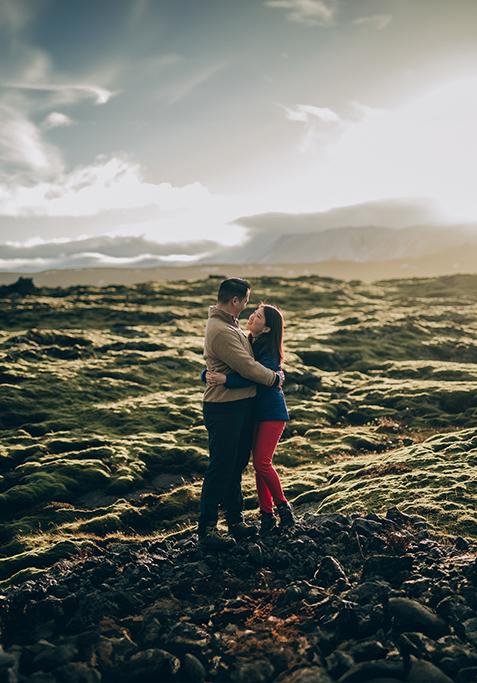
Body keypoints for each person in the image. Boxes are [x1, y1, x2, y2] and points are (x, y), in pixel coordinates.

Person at [199, 277, 284, 551]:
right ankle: (207, 529)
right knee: (221, 467)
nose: (248, 306)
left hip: (238, 406)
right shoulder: (221, 329)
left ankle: (235, 522)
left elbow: (231, 366)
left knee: (235, 467)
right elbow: (246, 367)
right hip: (225, 408)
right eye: (246, 301)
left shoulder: (230, 324)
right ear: (235, 301)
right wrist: (274, 378)